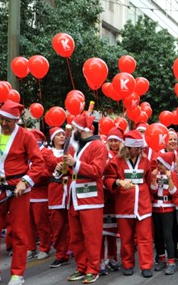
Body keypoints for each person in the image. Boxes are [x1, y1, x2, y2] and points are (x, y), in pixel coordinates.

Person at [0, 101, 45, 285]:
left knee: (19, 232)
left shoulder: (26, 136)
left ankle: (18, 273)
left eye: (8, 120)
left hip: (18, 190)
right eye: (1, 119)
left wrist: (25, 181)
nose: (4, 123)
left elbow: (38, 163)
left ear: (16, 120)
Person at [57, 112, 107, 284]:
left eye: (75, 128)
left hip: (91, 198)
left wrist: (75, 164)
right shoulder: (75, 146)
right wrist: (62, 168)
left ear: (82, 129)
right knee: (76, 236)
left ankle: (93, 268)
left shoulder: (98, 146)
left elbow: (97, 171)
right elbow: (70, 169)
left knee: (91, 236)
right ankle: (81, 266)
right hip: (74, 197)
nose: (72, 132)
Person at [104, 130, 155, 278]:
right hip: (124, 205)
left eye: (140, 148)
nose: (139, 151)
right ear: (127, 147)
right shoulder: (116, 161)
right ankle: (127, 263)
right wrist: (118, 182)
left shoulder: (145, 160)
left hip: (143, 205)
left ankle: (146, 265)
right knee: (126, 238)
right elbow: (107, 179)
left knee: (145, 238)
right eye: (136, 148)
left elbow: (148, 178)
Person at [45, 127, 71, 268]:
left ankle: (73, 249)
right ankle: (61, 254)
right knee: (58, 224)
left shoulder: (73, 150)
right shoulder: (47, 152)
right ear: (52, 138)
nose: (61, 136)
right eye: (58, 135)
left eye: (63, 134)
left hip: (71, 189)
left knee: (73, 223)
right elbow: (52, 163)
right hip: (56, 190)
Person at [150, 152, 178, 275]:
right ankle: (161, 259)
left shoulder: (172, 175)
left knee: (167, 235)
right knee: (158, 235)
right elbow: (153, 190)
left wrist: (170, 179)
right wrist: (152, 179)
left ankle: (171, 262)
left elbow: (175, 192)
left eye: (161, 163)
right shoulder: (156, 174)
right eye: (158, 163)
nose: (159, 166)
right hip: (156, 207)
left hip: (168, 209)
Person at [27, 129, 52, 260]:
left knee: (41, 222)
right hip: (27, 192)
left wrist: (31, 175)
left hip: (41, 193)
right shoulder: (27, 154)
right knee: (28, 223)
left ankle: (44, 247)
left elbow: (49, 172)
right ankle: (31, 247)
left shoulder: (46, 153)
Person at [100, 127, 122, 275]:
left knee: (113, 232)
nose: (113, 143)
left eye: (116, 141)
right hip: (102, 197)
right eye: (111, 140)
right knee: (101, 232)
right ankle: (100, 260)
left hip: (116, 197)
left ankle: (112, 257)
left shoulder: (122, 156)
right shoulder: (103, 154)